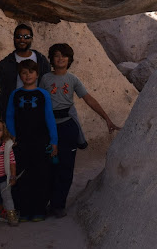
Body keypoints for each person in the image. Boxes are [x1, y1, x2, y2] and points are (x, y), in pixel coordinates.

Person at [40, 43, 121, 218]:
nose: (60, 58)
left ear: (69, 59)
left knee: (66, 166)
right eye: (57, 55)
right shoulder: (45, 79)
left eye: (64, 55)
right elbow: (38, 102)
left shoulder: (73, 80)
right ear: (52, 59)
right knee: (48, 166)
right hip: (48, 127)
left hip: (67, 126)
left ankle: (58, 205)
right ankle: (44, 203)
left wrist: (106, 118)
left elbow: (89, 99)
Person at [5, 59, 58, 222]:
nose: (28, 75)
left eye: (31, 72)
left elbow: (50, 117)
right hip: (21, 142)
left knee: (40, 175)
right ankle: (24, 210)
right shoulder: (16, 94)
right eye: (24, 73)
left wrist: (54, 141)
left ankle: (38, 210)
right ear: (20, 75)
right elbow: (9, 116)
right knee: (22, 176)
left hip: (40, 141)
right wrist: (12, 134)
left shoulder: (43, 94)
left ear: (37, 74)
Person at [0, 23, 51, 115]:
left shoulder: (41, 61)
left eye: (26, 36)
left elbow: (48, 84)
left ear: (31, 39)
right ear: (13, 38)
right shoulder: (5, 64)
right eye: (18, 36)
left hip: (38, 111)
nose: (22, 39)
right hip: (14, 112)